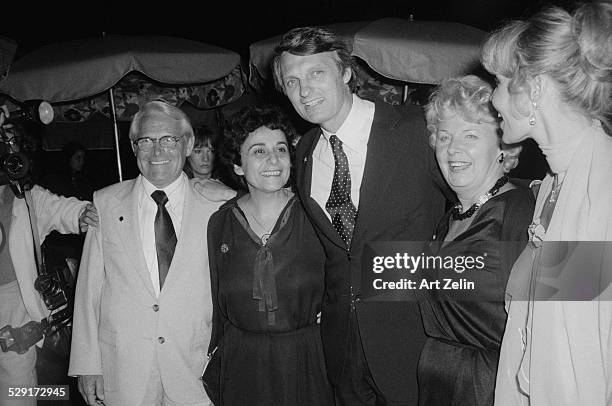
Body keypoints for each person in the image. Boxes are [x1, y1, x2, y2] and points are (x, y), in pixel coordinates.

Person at [272, 27, 448, 405]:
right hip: (343, 348)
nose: (305, 91)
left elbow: (472, 209)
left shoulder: (417, 130)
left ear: (346, 73)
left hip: (415, 341)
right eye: (292, 81)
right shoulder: (303, 153)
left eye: (316, 73)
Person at [481, 2, 612, 404]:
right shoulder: (559, 181)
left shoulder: (597, 194)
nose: (493, 100)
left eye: (500, 82)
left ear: (534, 88)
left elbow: (585, 352)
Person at [68, 101, 221, 406]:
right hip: (123, 370)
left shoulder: (218, 206)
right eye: (146, 141)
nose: (157, 151)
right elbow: (89, 290)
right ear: (133, 147)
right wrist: (87, 365)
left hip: (195, 368)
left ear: (188, 144)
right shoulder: (106, 203)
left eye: (168, 139)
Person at [417, 75, 534, 405]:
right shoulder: (450, 217)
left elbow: (572, 307)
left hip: (488, 388)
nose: (453, 148)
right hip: (438, 383)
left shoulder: (519, 213)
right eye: (444, 137)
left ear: (503, 147)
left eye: (470, 135)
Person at [207, 105, 334, 405]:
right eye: (258, 151)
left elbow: (346, 276)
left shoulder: (316, 214)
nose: (273, 159)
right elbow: (215, 301)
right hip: (243, 363)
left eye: (280, 149)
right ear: (237, 165)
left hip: (306, 358)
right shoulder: (221, 223)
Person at [0, 105, 97, 406]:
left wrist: (89, 213)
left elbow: (66, 210)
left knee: (18, 392)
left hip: (13, 313)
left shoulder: (27, 199)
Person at [183, 125, 236, 203]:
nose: (205, 158)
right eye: (198, 151)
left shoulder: (231, 184)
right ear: (187, 153)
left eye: (211, 151)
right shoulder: (179, 187)